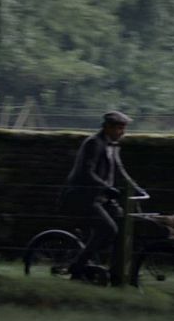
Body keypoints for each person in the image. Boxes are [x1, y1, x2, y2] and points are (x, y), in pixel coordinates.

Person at [60, 111, 145, 279]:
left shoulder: (113, 146)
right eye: (119, 128)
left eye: (124, 128)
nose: (122, 132)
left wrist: (136, 188)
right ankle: (78, 267)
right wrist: (107, 187)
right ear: (107, 127)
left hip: (102, 199)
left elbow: (120, 171)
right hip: (83, 198)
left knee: (124, 227)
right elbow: (86, 172)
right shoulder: (93, 143)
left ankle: (116, 274)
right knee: (108, 229)